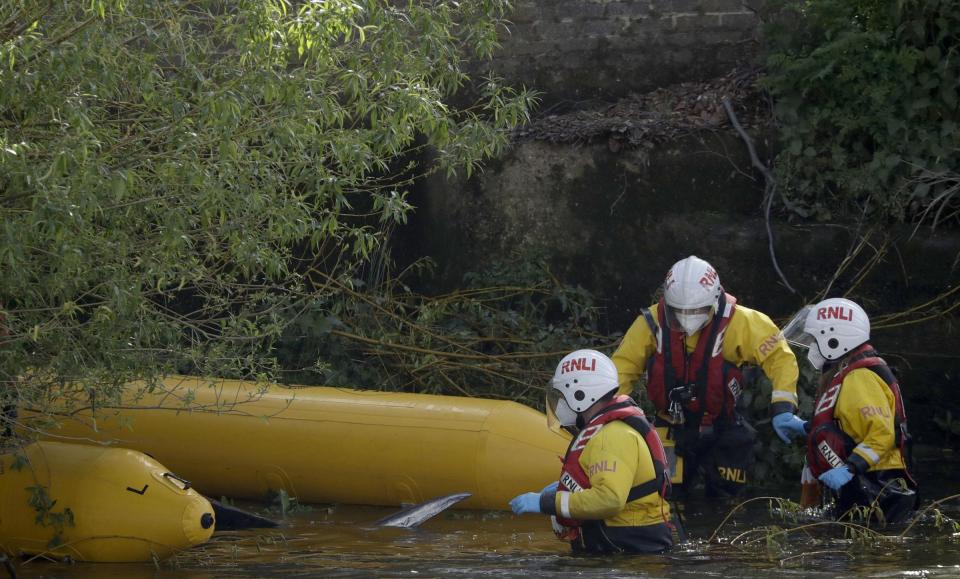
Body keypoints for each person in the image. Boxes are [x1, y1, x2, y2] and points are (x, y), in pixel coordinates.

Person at [612, 255, 802, 496]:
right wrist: (612, 416)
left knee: (727, 497)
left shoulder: (744, 322)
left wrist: (783, 406)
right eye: (679, 312)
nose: (687, 319)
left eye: (698, 311)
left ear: (714, 300)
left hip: (723, 426)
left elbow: (780, 358)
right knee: (665, 497)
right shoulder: (650, 323)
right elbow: (622, 369)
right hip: (670, 427)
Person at [508, 349, 674, 554]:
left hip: (631, 548)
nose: (558, 403)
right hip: (624, 545)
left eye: (561, 395)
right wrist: (563, 489)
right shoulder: (607, 431)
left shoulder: (611, 436)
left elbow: (609, 499)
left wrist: (548, 502)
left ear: (580, 394)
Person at [793, 297, 918, 524]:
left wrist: (850, 468)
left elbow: (881, 434)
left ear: (834, 340)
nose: (812, 347)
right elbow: (846, 424)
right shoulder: (849, 374)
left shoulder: (859, 378)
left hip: (877, 485)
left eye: (814, 340)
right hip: (865, 483)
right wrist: (805, 427)